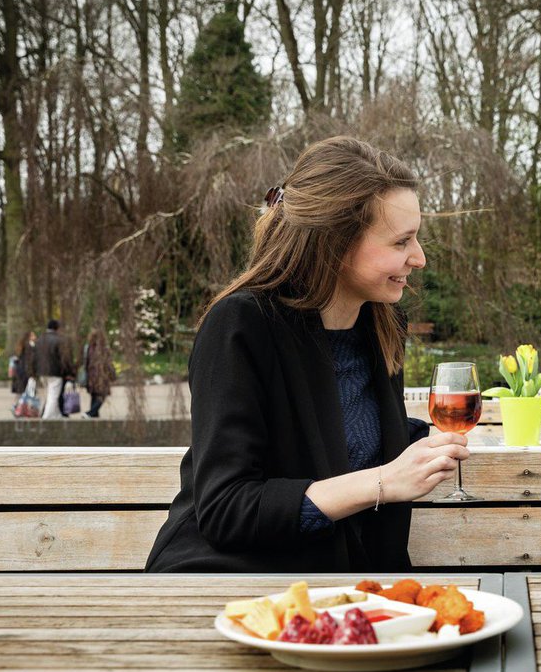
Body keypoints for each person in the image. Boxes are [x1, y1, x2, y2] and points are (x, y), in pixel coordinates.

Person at [145, 136, 468, 573]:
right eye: (401, 242)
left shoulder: (382, 324)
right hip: (230, 582)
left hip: (341, 585)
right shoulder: (240, 325)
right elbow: (226, 508)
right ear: (336, 244)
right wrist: (385, 482)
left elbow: (338, 432)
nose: (420, 258)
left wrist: (432, 440)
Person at [33, 319, 74, 419]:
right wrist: (70, 373)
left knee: (49, 393)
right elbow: (65, 358)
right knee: (53, 395)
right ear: (57, 328)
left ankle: (56, 415)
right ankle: (46, 417)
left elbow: (34, 357)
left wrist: (34, 371)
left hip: (41, 371)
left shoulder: (39, 340)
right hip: (55, 372)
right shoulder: (60, 340)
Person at [82, 329, 117, 418]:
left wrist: (86, 374)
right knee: (102, 395)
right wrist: (113, 374)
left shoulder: (88, 348)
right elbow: (108, 363)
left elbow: (85, 362)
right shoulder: (104, 349)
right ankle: (90, 413)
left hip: (91, 375)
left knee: (94, 395)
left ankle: (94, 416)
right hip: (102, 375)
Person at [10, 330, 36, 405]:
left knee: (20, 391)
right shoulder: (30, 346)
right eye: (33, 336)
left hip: (20, 370)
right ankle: (24, 407)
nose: (35, 337)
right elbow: (31, 359)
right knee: (29, 390)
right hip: (26, 370)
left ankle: (17, 406)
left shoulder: (21, 346)